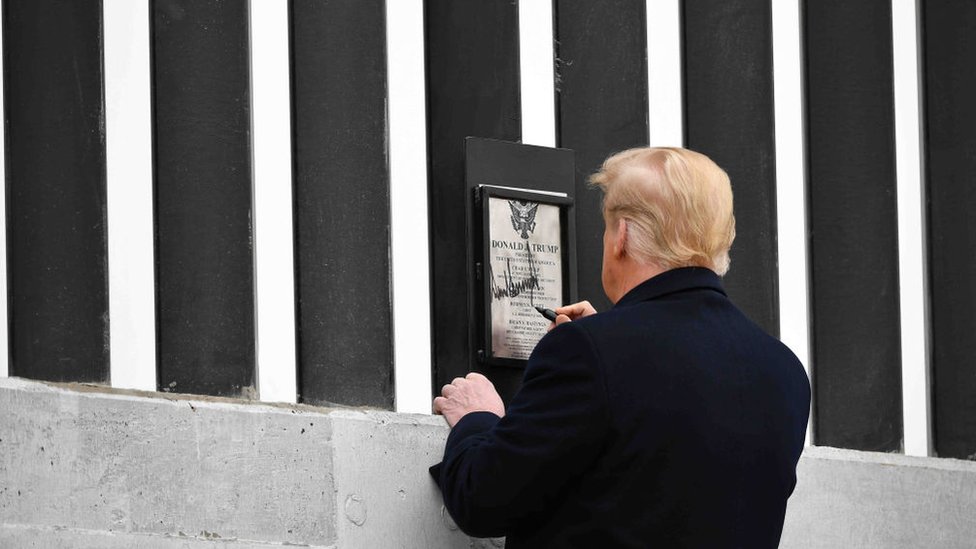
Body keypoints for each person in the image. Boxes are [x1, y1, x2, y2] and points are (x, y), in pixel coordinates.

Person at [430, 147, 811, 547]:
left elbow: (482, 501)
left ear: (622, 236)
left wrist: (478, 418)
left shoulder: (590, 352)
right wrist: (605, 354)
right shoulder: (784, 371)